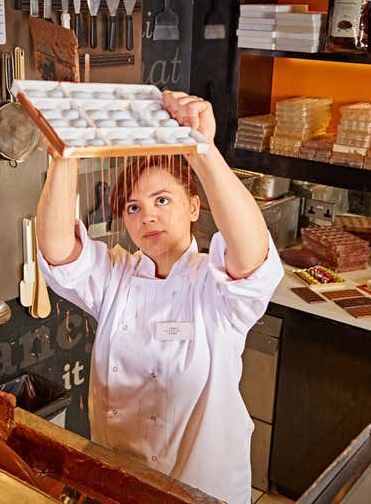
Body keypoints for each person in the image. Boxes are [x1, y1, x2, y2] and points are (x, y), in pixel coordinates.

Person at [36, 91, 284, 504]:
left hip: (200, 493)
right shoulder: (117, 275)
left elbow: (252, 255)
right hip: (118, 487)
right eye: (132, 208)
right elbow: (58, 252)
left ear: (193, 205)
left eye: (161, 200)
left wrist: (201, 149)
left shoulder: (215, 287)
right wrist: (64, 154)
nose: (146, 215)